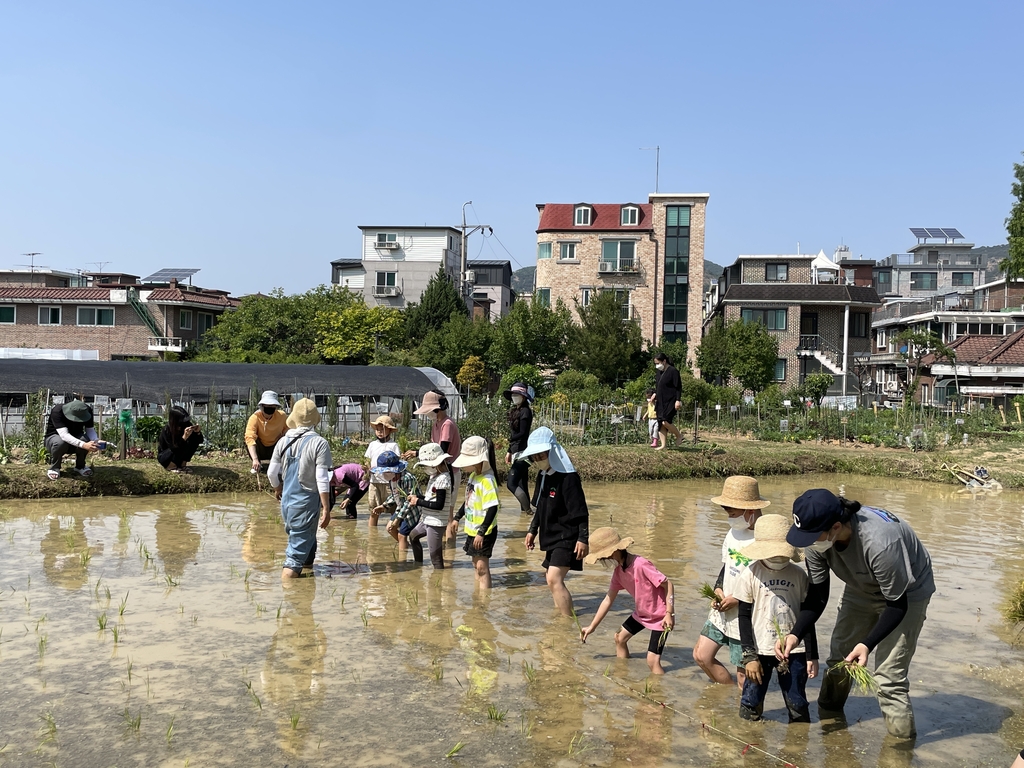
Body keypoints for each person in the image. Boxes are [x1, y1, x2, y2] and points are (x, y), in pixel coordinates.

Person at [781, 489, 934, 740]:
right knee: (839, 659)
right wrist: (796, 633)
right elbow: (818, 596)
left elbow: (897, 606)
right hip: (861, 586)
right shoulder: (814, 539)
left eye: (811, 536)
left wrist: (866, 644)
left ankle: (900, 750)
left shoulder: (882, 543)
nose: (806, 542)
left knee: (888, 678)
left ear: (836, 526)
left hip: (908, 592)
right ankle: (829, 722)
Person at [734, 514, 819, 723]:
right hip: (760, 648)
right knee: (751, 699)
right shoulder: (750, 574)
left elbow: (807, 617)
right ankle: (750, 741)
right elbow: (743, 617)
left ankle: (797, 744)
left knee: (797, 700)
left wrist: (812, 655)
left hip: (794, 651)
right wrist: (749, 657)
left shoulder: (799, 576)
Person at [694, 475, 770, 688]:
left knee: (745, 675)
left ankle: (741, 708)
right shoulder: (734, 531)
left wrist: (738, 598)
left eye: (733, 513)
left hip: (747, 614)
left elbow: (768, 582)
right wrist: (718, 588)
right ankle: (725, 696)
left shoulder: (766, 540)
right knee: (702, 655)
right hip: (722, 606)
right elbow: (727, 565)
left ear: (751, 511)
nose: (729, 517)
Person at [580, 527, 674, 675]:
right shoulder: (619, 572)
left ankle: (658, 692)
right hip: (642, 614)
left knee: (652, 661)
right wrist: (592, 627)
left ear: (613, 552)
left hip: (661, 617)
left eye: (603, 557)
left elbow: (668, 584)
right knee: (619, 637)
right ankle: (623, 674)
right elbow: (608, 599)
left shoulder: (641, 564)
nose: (604, 561)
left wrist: (669, 613)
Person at [520, 427, 589, 617]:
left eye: (540, 455)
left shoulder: (569, 478)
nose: (537, 460)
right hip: (551, 535)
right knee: (549, 578)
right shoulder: (543, 476)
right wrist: (532, 530)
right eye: (534, 457)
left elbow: (581, 511)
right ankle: (561, 613)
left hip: (568, 536)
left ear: (552, 451)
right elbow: (540, 507)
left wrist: (583, 538)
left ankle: (567, 622)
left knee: (553, 578)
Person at [268, 398, 332, 580]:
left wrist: (278, 488)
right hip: (306, 504)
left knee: (305, 541)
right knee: (293, 559)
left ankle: (306, 594)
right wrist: (326, 508)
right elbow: (321, 478)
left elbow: (272, 473)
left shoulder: (282, 441)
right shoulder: (319, 443)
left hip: (287, 504)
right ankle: (289, 593)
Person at [448, 436, 499, 590]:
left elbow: (493, 508)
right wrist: (457, 517)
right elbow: (468, 500)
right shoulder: (473, 477)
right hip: (473, 529)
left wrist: (482, 532)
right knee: (475, 564)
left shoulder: (487, 480)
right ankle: (477, 595)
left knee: (482, 567)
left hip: (484, 530)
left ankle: (483, 601)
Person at [413, 390, 461, 523]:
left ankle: (450, 543)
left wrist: (417, 454)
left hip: (449, 472)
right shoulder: (436, 424)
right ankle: (444, 541)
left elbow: (440, 452)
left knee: (448, 513)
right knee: (438, 510)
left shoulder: (447, 424)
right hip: (437, 471)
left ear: (437, 409)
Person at [407, 443, 452, 569]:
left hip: (436, 523)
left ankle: (438, 583)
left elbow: (439, 505)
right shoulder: (435, 476)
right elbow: (430, 499)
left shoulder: (443, 479)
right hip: (427, 519)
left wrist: (418, 502)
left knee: (435, 558)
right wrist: (417, 497)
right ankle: (418, 567)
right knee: (413, 536)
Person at [372, 451, 421, 549]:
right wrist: (384, 505)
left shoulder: (408, 478)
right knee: (390, 528)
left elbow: (410, 501)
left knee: (402, 535)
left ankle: (402, 559)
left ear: (394, 470)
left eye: (385, 472)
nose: (384, 474)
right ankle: (407, 547)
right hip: (400, 507)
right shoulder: (393, 479)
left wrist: (398, 519)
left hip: (411, 510)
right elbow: (395, 495)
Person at [44, 399, 101, 480]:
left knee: (86, 439)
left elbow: (90, 430)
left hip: (76, 436)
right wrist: (84, 445)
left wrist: (96, 441)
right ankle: (54, 468)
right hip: (55, 438)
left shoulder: (86, 410)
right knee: (60, 442)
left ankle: (80, 466)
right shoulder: (57, 411)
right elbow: (64, 435)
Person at [503, 381, 535, 512]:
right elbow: (515, 434)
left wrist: (506, 440)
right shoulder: (516, 411)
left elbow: (522, 433)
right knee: (522, 484)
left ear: (523, 396)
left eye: (516, 394)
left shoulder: (526, 412)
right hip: (516, 452)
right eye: (513, 395)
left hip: (524, 454)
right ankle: (526, 514)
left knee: (511, 483)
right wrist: (509, 451)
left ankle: (528, 510)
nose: (514, 397)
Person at [364, 415, 400, 528]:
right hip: (374, 481)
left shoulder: (393, 445)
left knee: (393, 509)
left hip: (390, 482)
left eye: (383, 429)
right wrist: (367, 468)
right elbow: (367, 460)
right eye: (377, 430)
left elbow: (397, 462)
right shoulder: (372, 445)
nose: (380, 432)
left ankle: (394, 531)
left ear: (390, 430)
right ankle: (372, 536)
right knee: (374, 510)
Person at [245, 391, 288, 473]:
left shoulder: (282, 416)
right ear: (262, 406)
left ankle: (279, 464)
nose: (269, 408)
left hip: (275, 447)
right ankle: (257, 464)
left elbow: (288, 429)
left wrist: (283, 435)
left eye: (272, 406)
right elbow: (250, 437)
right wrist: (255, 459)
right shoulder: (255, 418)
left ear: (276, 407)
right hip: (260, 448)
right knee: (249, 440)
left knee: (286, 439)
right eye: (267, 406)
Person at [157, 406, 204, 473]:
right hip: (166, 457)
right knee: (177, 447)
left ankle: (182, 465)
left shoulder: (186, 425)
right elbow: (173, 448)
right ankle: (171, 466)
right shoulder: (167, 430)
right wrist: (184, 437)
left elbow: (200, 441)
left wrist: (198, 432)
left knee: (193, 442)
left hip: (180, 456)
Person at [653, 352, 682, 450]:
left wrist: (678, 400)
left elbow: (678, 387)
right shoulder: (659, 372)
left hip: (670, 400)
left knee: (666, 421)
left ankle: (679, 435)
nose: (657, 365)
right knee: (661, 422)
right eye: (656, 363)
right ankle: (663, 445)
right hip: (660, 401)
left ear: (664, 361)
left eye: (658, 363)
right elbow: (658, 386)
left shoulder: (673, 371)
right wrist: (654, 394)